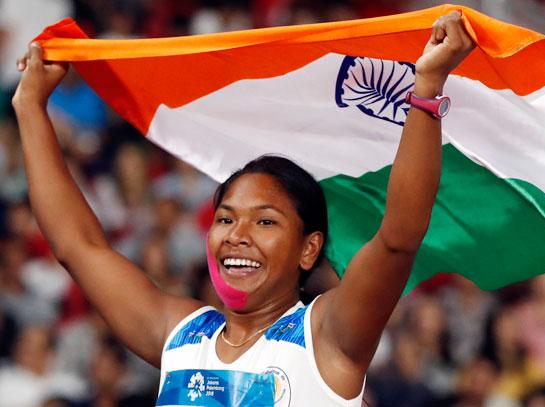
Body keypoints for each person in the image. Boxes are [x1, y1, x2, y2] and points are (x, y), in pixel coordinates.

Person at [11, 11, 474, 406]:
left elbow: (398, 238)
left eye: (265, 220)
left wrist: (427, 89)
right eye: (226, 218)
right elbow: (79, 246)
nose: (237, 233)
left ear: (308, 250)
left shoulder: (328, 336)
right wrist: (31, 105)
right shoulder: (181, 337)